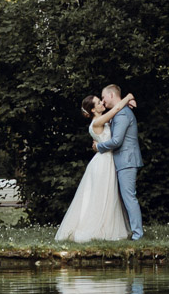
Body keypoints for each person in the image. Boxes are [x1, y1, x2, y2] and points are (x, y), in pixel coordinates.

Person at [54, 91, 134, 242]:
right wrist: (128, 97)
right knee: (101, 195)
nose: (102, 103)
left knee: (107, 195)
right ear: (92, 110)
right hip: (104, 162)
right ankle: (96, 228)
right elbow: (116, 109)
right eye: (98, 103)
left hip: (105, 160)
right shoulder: (97, 122)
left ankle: (106, 227)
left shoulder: (101, 121)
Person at [95, 81, 143, 240]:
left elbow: (117, 141)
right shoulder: (119, 112)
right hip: (122, 160)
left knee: (129, 197)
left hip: (127, 160)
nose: (103, 101)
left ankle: (137, 235)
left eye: (104, 97)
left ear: (111, 95)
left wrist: (99, 146)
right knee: (125, 198)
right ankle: (131, 231)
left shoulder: (122, 114)